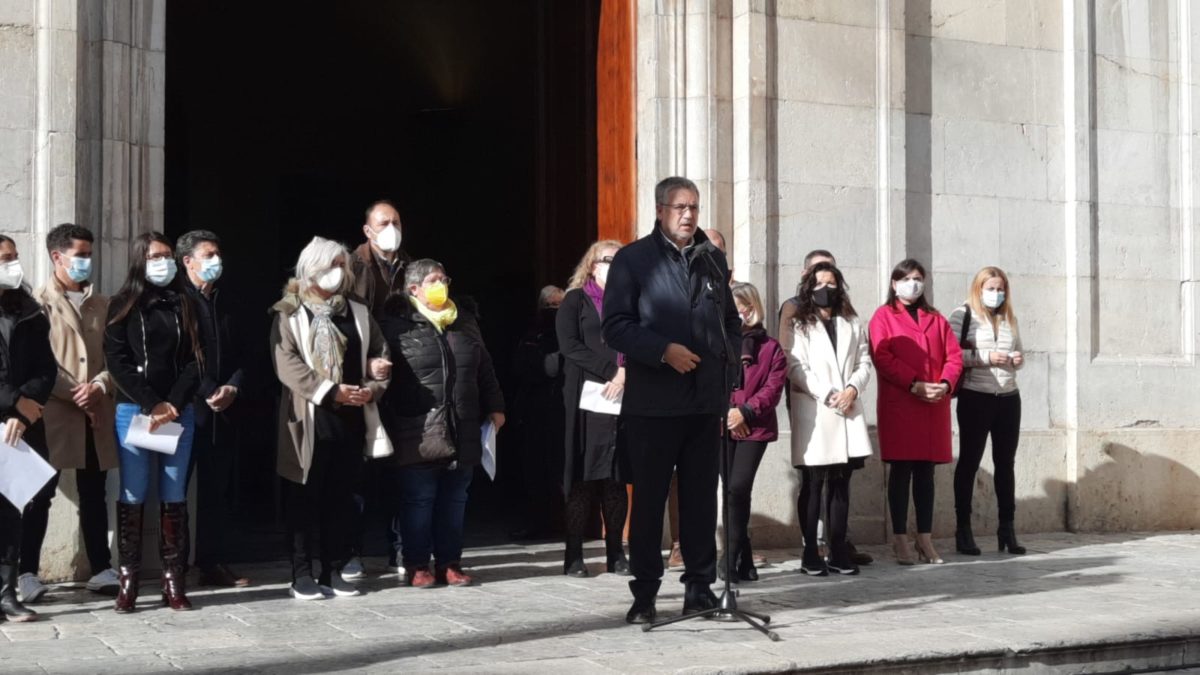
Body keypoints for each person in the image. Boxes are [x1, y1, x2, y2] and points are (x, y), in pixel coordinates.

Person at [602, 176, 741, 624]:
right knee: (650, 502)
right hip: (654, 405)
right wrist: (663, 350)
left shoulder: (711, 259)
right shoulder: (633, 260)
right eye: (680, 207)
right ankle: (644, 594)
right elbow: (616, 325)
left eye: (695, 207)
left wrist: (728, 370)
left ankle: (699, 589)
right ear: (661, 210)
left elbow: (731, 323)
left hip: (704, 404)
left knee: (701, 501)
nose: (688, 215)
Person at [270, 237, 392, 601]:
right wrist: (330, 390)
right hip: (309, 417)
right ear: (311, 269)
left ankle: (333, 569)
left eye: (342, 264)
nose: (338, 272)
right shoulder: (289, 310)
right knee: (304, 497)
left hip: (352, 416)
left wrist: (373, 386)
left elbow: (379, 353)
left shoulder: (356, 310)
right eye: (330, 265)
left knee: (340, 498)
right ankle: (301, 573)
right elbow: (285, 362)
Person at [378, 259, 505, 588]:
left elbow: (485, 368)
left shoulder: (464, 321)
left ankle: (450, 562)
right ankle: (418, 564)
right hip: (416, 427)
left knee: (455, 499)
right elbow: (382, 375)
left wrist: (496, 406)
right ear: (414, 289)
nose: (441, 285)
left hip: (462, 423)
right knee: (419, 500)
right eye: (434, 280)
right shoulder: (395, 325)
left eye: (444, 278)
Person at [104, 232, 204, 612]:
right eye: (154, 256)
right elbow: (118, 362)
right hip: (136, 411)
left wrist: (173, 402)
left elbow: (198, 358)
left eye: (166, 255)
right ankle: (128, 579)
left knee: (174, 493)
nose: (163, 262)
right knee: (133, 491)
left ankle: (172, 581)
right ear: (139, 262)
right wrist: (151, 403)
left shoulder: (185, 302)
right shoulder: (122, 305)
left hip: (178, 413)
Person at [20, 225, 119, 605]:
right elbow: (35, 360)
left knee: (95, 490)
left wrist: (99, 385)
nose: (86, 262)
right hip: (54, 412)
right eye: (80, 254)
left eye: (90, 254)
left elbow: (116, 358)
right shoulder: (36, 304)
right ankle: (28, 570)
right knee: (39, 493)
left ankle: (101, 567)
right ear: (57, 257)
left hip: (95, 410)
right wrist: (71, 391)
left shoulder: (103, 305)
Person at [869, 259, 962, 565]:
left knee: (926, 473)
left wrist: (946, 384)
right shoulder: (883, 316)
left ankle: (925, 538)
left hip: (933, 404)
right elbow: (882, 356)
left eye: (918, 278)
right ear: (894, 283)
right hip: (902, 403)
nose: (913, 283)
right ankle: (899, 539)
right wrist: (914, 384)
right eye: (906, 278)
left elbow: (954, 356)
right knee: (901, 470)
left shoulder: (936, 318)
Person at [786, 263, 873, 576]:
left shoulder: (851, 320)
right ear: (809, 286)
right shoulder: (800, 325)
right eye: (819, 282)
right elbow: (795, 366)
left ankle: (838, 550)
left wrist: (852, 388)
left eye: (831, 282)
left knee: (841, 484)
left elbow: (865, 360)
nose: (826, 288)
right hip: (817, 410)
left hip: (848, 410)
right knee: (813, 483)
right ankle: (810, 551)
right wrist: (828, 393)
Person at [177, 230, 249, 587]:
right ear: (188, 261)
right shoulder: (177, 300)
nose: (215, 261)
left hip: (225, 410)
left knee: (216, 491)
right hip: (190, 409)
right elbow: (180, 357)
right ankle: (175, 564)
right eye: (208, 255)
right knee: (176, 490)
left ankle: (212, 561)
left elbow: (241, 352)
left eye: (217, 253)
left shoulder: (226, 300)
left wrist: (233, 385)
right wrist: (206, 390)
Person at [556, 241, 630, 577]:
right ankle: (574, 555)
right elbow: (570, 345)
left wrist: (626, 371)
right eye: (608, 260)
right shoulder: (575, 300)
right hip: (587, 398)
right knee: (584, 479)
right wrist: (611, 370)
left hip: (622, 397)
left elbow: (639, 340)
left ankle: (616, 552)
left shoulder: (630, 303)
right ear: (592, 265)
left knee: (615, 479)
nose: (614, 266)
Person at [346, 200, 410, 579]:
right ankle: (351, 551)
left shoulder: (410, 266)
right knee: (357, 473)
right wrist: (366, 364)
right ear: (367, 231)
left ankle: (400, 549)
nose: (392, 228)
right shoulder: (351, 267)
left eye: (397, 222)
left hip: (403, 381)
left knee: (399, 470)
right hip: (364, 381)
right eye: (384, 222)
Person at [949, 267, 1026, 556]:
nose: (997, 293)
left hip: (1008, 397)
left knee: (1005, 463)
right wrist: (986, 357)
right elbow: (952, 353)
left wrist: (1016, 359)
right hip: (975, 396)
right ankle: (963, 529)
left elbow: (1020, 353)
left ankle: (1007, 528)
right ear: (979, 288)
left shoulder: (1009, 318)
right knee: (969, 461)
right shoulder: (962, 314)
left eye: (1001, 287)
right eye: (991, 288)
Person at [0, 235, 57, 623]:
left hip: (22, 426)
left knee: (12, 511)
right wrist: (12, 402)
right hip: (7, 412)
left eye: (15, 257)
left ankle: (7, 593)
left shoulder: (31, 311)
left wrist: (25, 409)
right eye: (5, 258)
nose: (13, 263)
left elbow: (46, 368)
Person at [721, 282, 786, 582]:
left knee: (738, 488)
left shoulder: (771, 348)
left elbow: (772, 390)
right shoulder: (718, 342)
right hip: (722, 426)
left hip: (754, 426)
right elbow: (710, 381)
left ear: (752, 308)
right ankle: (744, 559)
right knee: (732, 495)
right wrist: (728, 413)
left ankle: (728, 557)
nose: (736, 314)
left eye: (740, 307)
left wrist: (744, 411)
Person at [508, 285, 565, 540]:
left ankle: (563, 522)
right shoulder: (532, 336)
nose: (554, 312)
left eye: (559, 307)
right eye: (550, 307)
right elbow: (527, 369)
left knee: (560, 469)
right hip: (534, 412)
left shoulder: (570, 333)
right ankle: (537, 521)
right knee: (534, 471)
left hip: (563, 411)